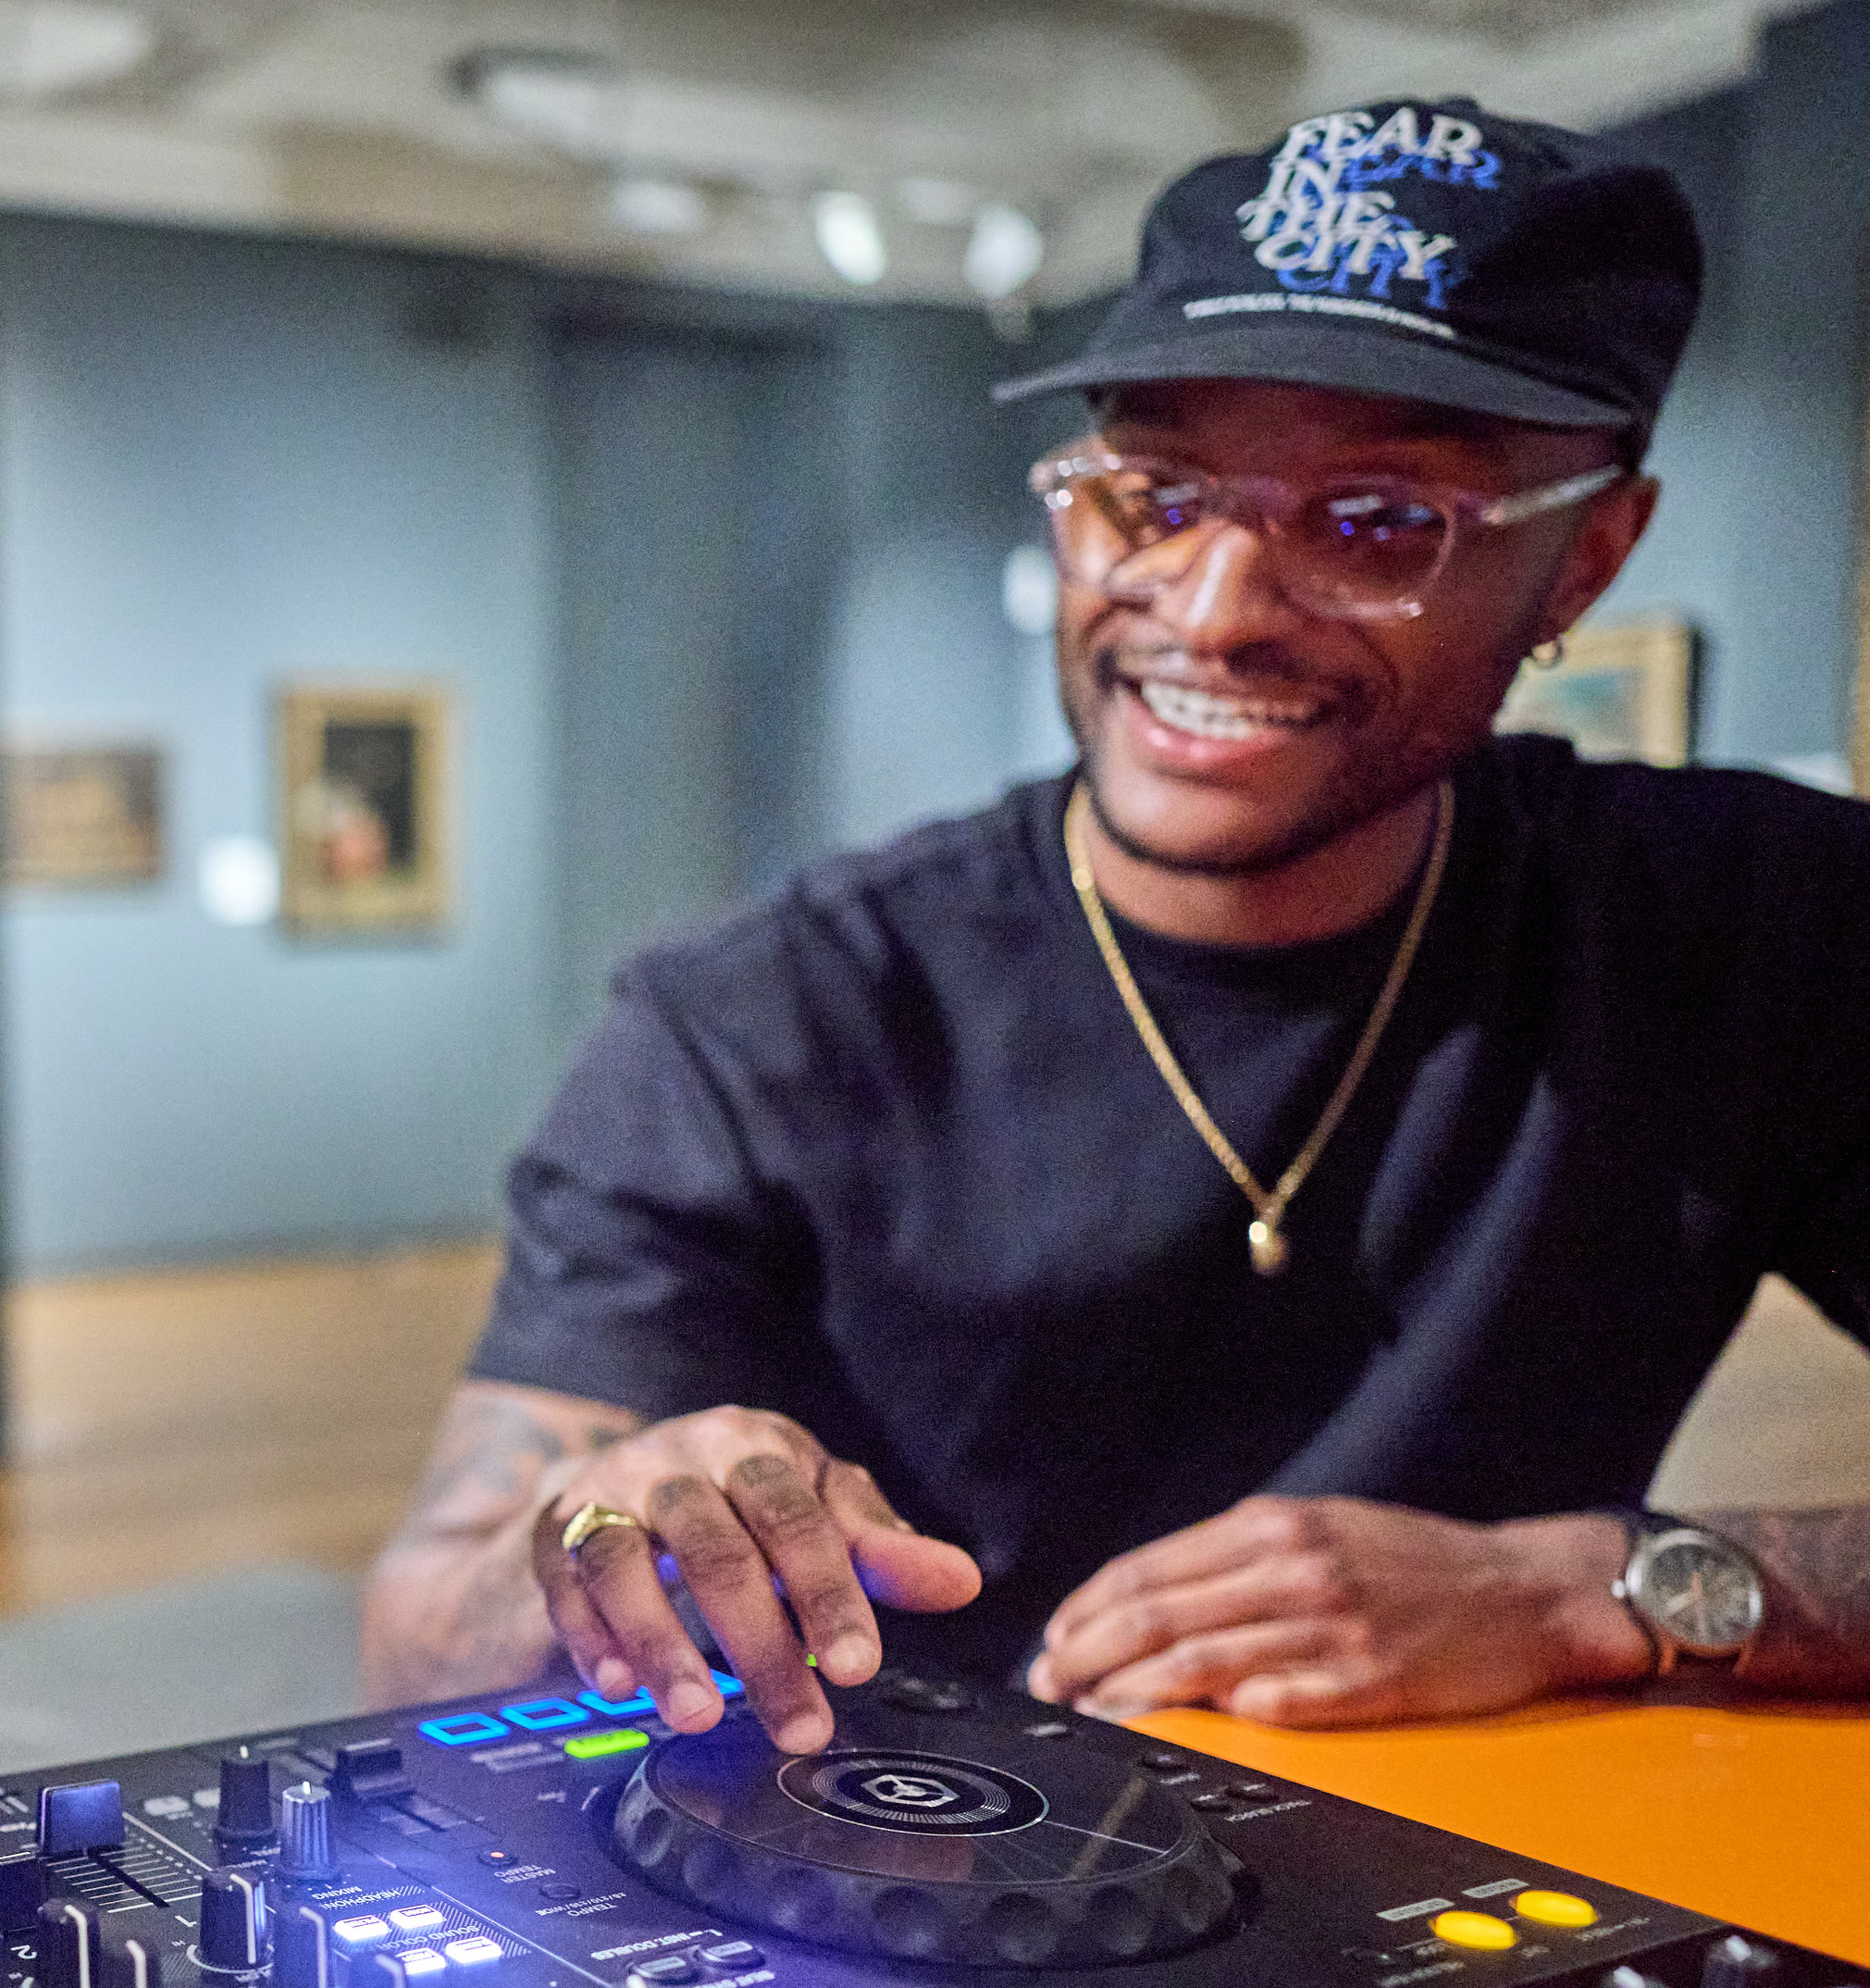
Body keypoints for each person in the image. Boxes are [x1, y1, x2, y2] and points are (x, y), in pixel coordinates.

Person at [365, 97, 1870, 1755]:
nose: (1211, 610)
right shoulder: (757, 1023)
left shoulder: (1760, 929)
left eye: (1378, 521)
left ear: (1584, 562)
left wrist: (1592, 1587)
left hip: (1492, 1856)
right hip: (905, 1869)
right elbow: (420, 1644)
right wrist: (601, 1536)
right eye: (1151, 493)